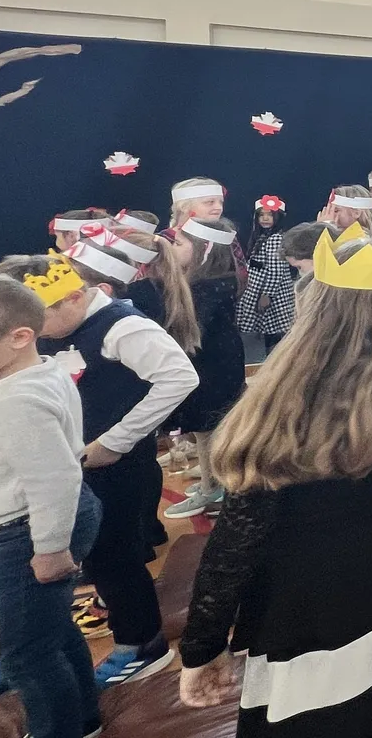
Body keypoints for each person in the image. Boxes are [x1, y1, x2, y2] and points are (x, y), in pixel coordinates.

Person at [176, 229, 372, 736]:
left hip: (316, 609)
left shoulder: (281, 404)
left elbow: (236, 542)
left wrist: (203, 646)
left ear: (318, 304)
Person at [0, 241, 199, 687]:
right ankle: (40, 649)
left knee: (115, 557)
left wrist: (117, 440)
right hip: (79, 463)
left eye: (40, 318)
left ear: (74, 297)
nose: (34, 331)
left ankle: (142, 644)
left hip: (115, 465)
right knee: (94, 556)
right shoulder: (59, 325)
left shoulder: (122, 326)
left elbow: (180, 377)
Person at [0, 273, 104, 738]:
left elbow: (54, 478)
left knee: (25, 655)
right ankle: (84, 718)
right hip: (40, 519)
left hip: (29, 530)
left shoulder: (15, 400)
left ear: (20, 337)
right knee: (51, 628)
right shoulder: (36, 371)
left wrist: (52, 548)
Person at [162, 217, 246, 520]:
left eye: (179, 243)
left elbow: (191, 330)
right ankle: (213, 481)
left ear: (202, 250)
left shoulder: (208, 286)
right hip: (215, 360)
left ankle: (213, 489)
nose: (173, 248)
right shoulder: (209, 281)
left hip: (213, 365)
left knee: (209, 426)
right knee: (205, 427)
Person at [236, 196, 294, 350]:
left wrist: (267, 294)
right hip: (257, 285)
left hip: (269, 290)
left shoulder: (275, 239)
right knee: (265, 328)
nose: (265, 218)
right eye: (261, 215)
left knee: (274, 328)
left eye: (270, 215)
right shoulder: (262, 237)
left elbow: (276, 270)